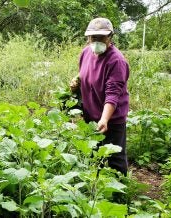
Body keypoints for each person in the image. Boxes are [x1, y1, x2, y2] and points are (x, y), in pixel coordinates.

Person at [70, 17, 129, 176]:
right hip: (91, 114)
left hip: (112, 117)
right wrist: (76, 81)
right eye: (92, 37)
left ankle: (121, 193)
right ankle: (96, 189)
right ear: (88, 37)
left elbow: (112, 94)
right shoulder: (85, 53)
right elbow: (85, 73)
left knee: (115, 157)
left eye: (101, 37)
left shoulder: (116, 61)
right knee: (93, 154)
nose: (96, 41)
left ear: (110, 36)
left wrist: (104, 119)